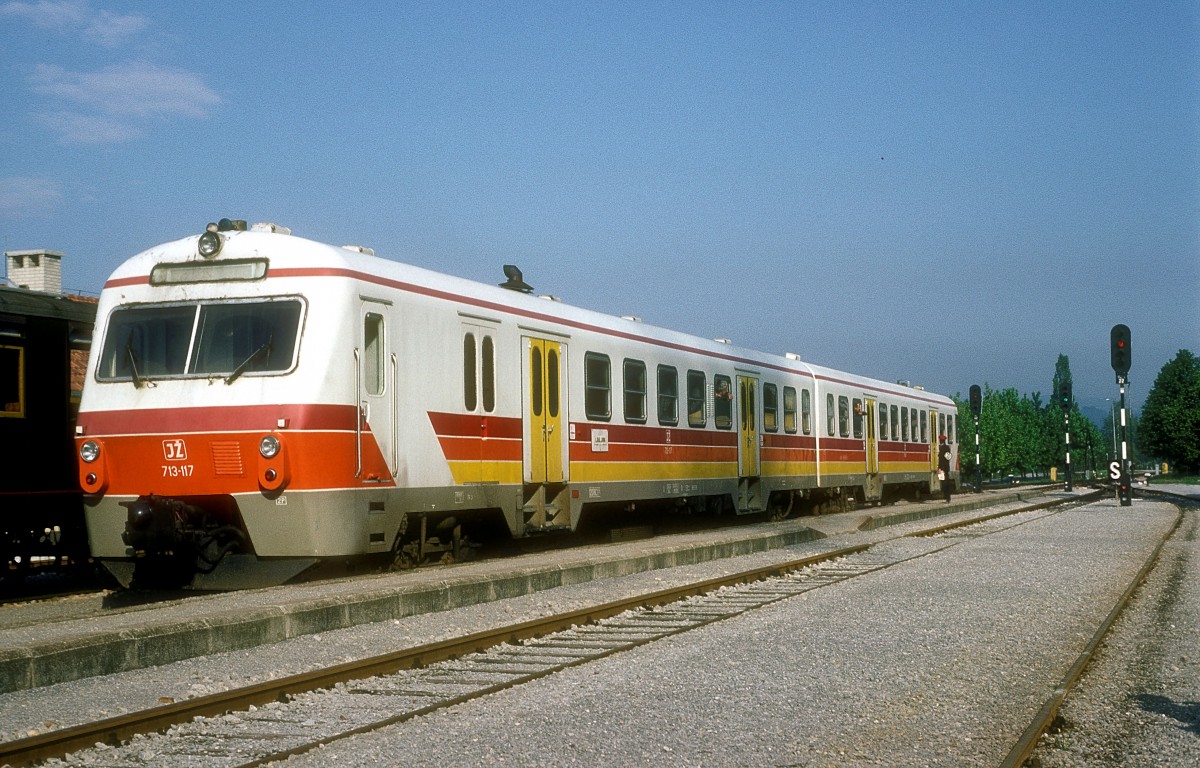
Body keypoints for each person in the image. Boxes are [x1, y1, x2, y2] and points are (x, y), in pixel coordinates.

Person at [937, 434, 952, 503]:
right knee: (945, 482)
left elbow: (941, 460)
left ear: (940, 441)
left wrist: (939, 468)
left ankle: (947, 497)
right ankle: (947, 497)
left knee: (944, 483)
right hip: (946, 468)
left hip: (942, 468)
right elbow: (948, 458)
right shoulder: (947, 448)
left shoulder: (942, 448)